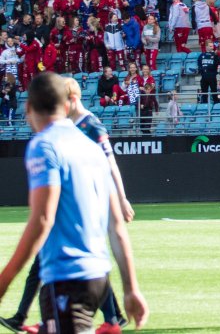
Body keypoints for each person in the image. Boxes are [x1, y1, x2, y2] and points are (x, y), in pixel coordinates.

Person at [0, 74, 147, 333]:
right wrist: (130, 288)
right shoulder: (91, 147)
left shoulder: (43, 145)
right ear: (66, 105)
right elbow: (116, 228)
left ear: (28, 108)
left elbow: (42, 220)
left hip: (66, 277)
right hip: (99, 277)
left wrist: (4, 281)